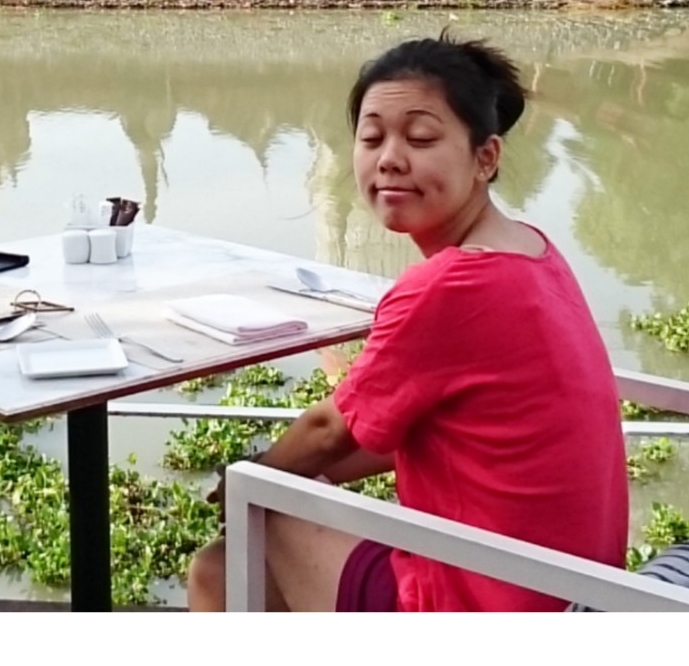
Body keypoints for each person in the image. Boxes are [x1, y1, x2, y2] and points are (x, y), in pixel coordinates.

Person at [185, 34, 627, 611]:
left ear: (486, 158)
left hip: (482, 601)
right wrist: (305, 474)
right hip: (571, 594)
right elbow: (396, 429)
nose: (390, 158)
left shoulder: (450, 285)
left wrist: (249, 478)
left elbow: (327, 429)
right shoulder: (531, 250)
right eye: (372, 138)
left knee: (234, 546)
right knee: (234, 556)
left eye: (420, 138)